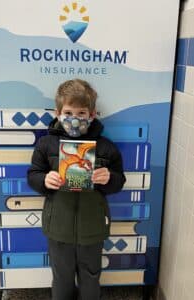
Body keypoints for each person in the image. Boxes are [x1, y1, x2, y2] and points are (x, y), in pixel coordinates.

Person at [27, 78, 126, 300]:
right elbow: (32, 175)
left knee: (90, 277)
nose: (74, 119)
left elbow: (119, 181)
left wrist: (109, 178)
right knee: (61, 278)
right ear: (58, 112)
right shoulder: (46, 145)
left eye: (81, 113)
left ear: (92, 115)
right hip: (58, 228)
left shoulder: (106, 148)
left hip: (92, 229)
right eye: (69, 112)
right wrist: (44, 180)